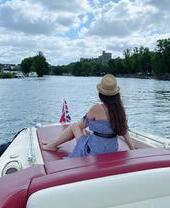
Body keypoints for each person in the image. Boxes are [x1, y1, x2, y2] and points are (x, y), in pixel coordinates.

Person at [42, 74, 134, 157]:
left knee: (74, 125)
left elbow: (81, 125)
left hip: (93, 151)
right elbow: (124, 131)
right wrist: (133, 150)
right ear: (116, 94)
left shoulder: (96, 108)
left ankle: (51, 145)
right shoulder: (120, 110)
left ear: (101, 94)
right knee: (88, 133)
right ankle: (53, 142)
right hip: (112, 149)